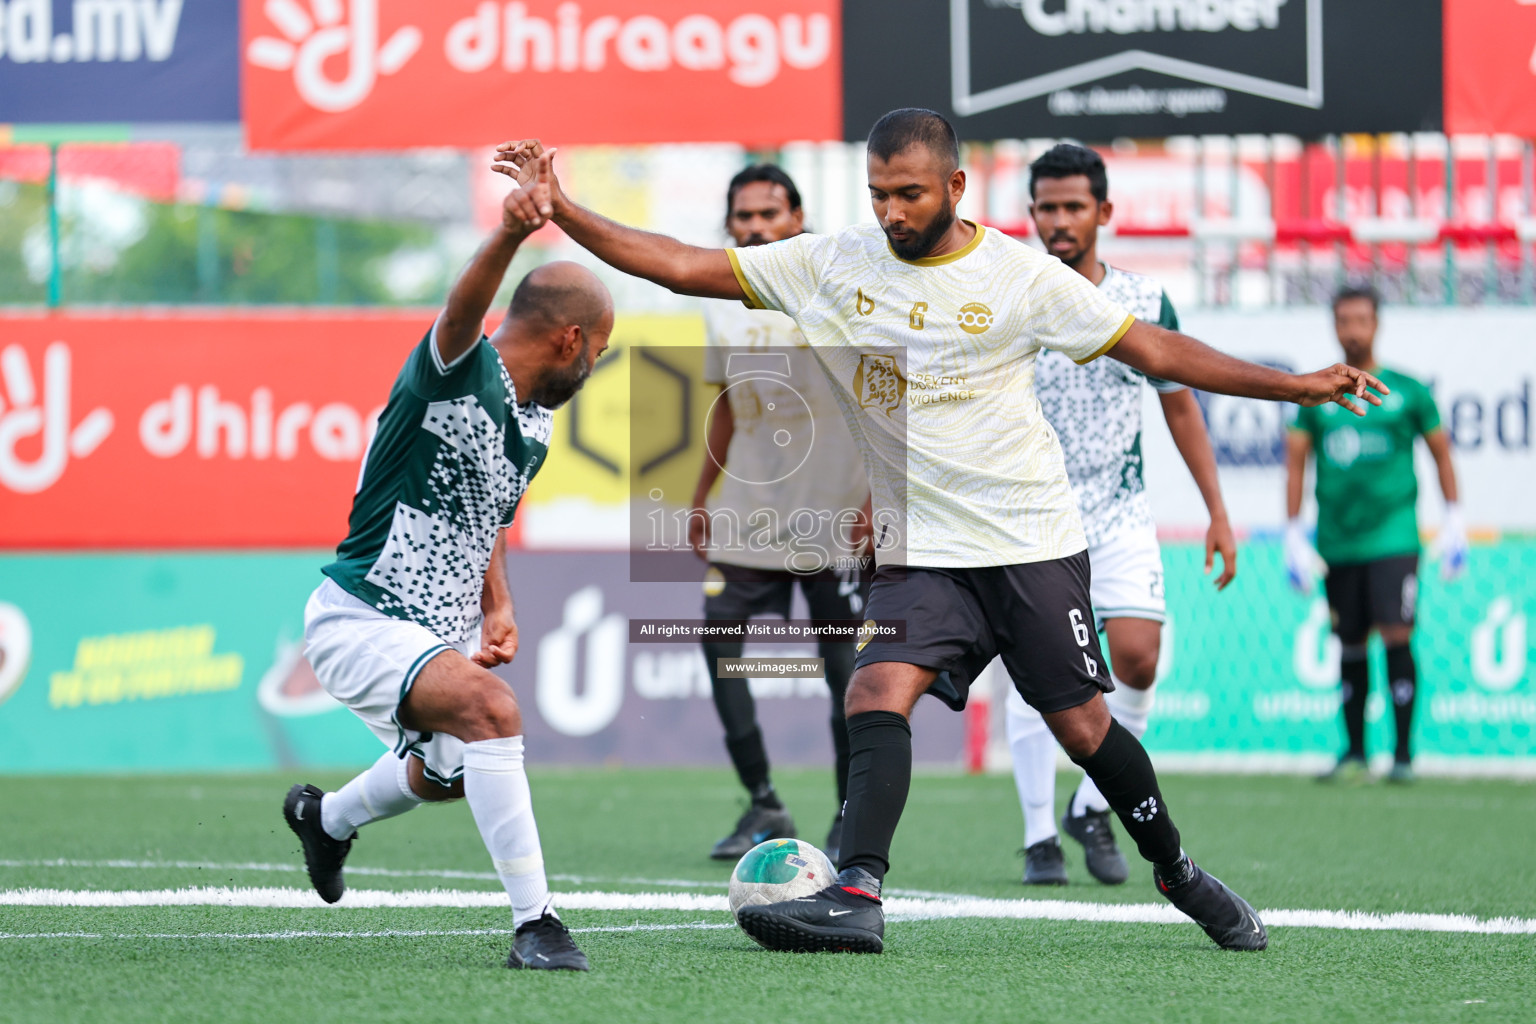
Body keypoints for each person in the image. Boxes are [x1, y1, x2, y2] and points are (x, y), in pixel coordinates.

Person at [491, 108, 1383, 955]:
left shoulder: (1019, 276)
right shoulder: (834, 263)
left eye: (909, 194)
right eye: (879, 193)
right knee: (874, 692)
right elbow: (680, 264)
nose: (891, 211)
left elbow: (1154, 351)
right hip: (921, 552)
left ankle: (1179, 872)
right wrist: (561, 207)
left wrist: (1292, 385)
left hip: (1030, 542)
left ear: (955, 185)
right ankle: (859, 893)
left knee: (1082, 728)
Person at [282, 161, 613, 972]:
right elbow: (462, 315)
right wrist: (509, 230)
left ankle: (323, 821)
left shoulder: (533, 424)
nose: (594, 366)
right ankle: (537, 925)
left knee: (448, 774)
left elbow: (486, 513)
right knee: (492, 711)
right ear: (571, 339)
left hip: (437, 631)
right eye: (598, 352)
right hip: (362, 619)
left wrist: (497, 604)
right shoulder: (455, 370)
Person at [1006, 143, 1237, 888]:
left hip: (1119, 512)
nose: (1060, 220)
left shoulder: (1142, 301)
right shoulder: (1011, 295)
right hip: (1030, 517)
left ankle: (1088, 807)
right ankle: (1040, 836)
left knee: (1138, 658)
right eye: (1048, 206)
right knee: (1033, 681)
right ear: (1032, 211)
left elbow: (1181, 410)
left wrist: (1216, 511)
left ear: (1104, 212)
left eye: (1075, 206)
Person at [689, 164, 872, 863]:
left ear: (797, 218)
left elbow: (884, 407)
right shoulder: (716, 301)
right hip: (748, 513)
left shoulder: (842, 291)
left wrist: (875, 502)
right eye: (744, 218)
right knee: (717, 642)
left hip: (836, 516)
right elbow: (727, 414)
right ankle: (764, 801)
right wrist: (703, 497)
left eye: (769, 215)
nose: (756, 228)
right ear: (730, 226)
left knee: (845, 674)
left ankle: (849, 813)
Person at [1285, 285, 1464, 783]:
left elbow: (1441, 453)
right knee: (1349, 642)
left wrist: (1455, 521)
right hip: (1339, 541)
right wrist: (1293, 533)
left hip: (1395, 537)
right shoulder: (1317, 393)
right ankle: (1355, 752)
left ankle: (1403, 755)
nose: (1352, 329)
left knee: (1397, 635)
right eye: (1343, 320)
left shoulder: (1408, 391)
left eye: (1361, 319)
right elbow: (1296, 461)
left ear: (1377, 322)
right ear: (1334, 325)